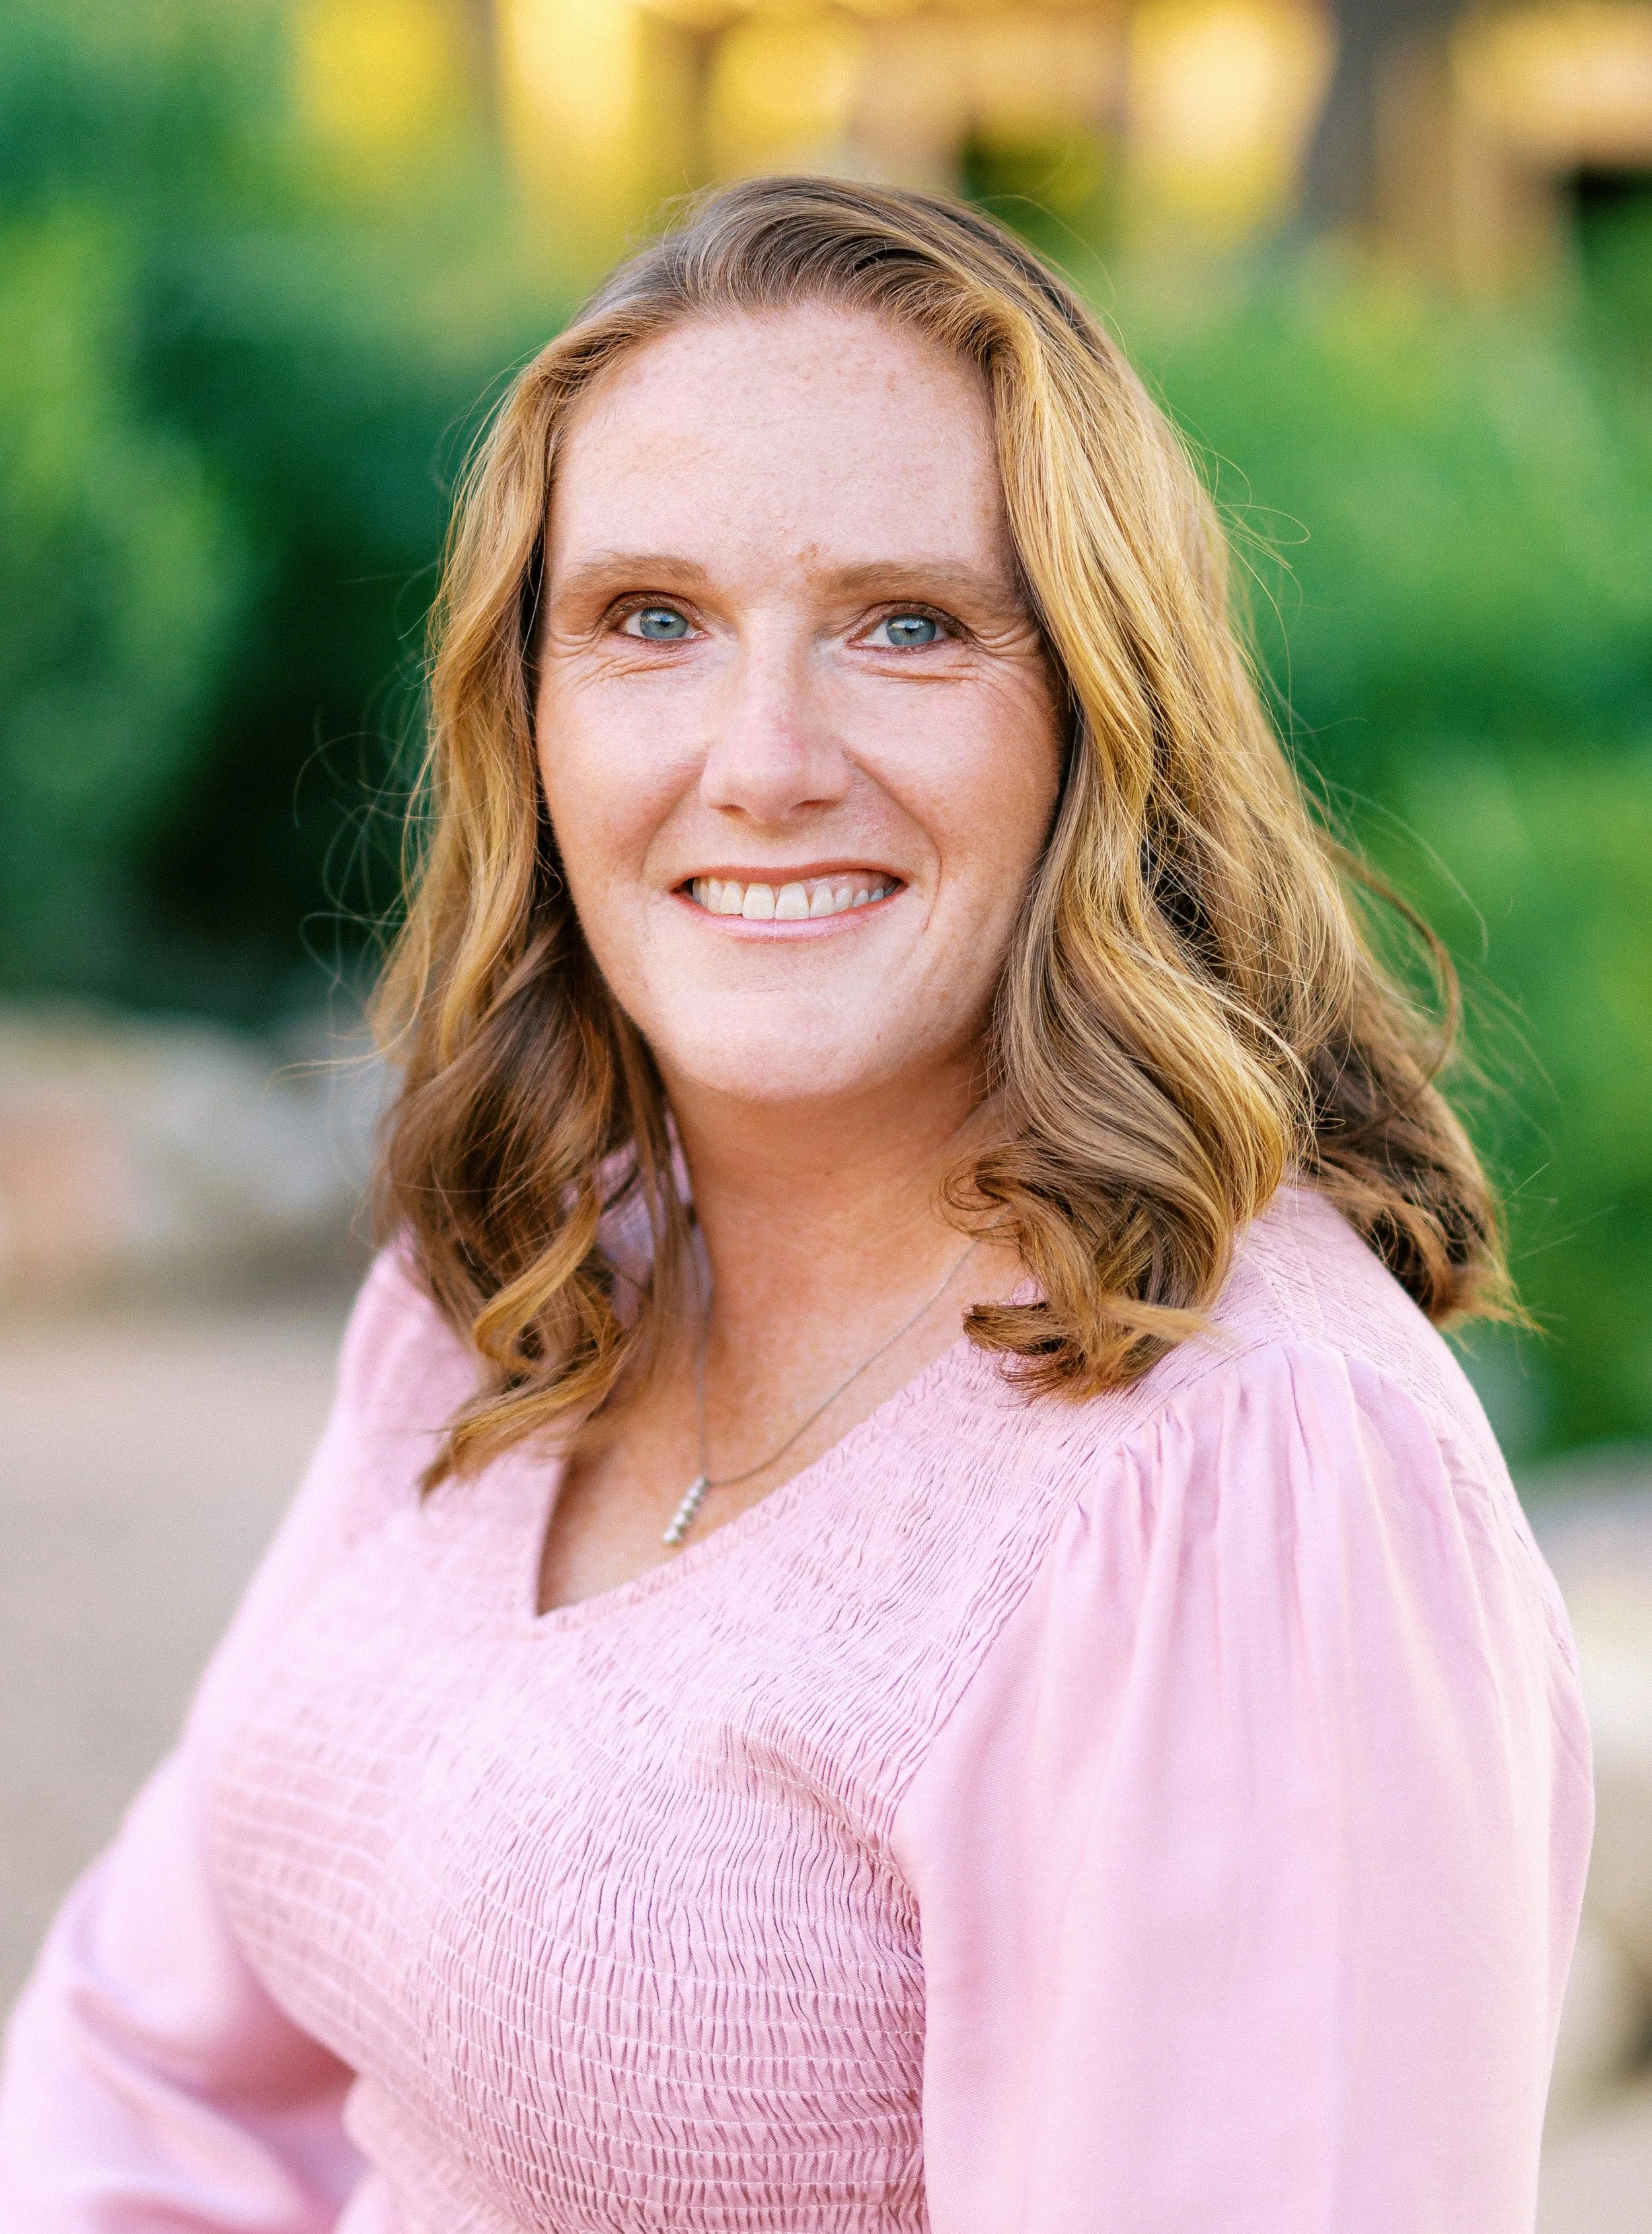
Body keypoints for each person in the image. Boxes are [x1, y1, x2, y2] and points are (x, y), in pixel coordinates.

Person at [0, 177, 1591, 2233]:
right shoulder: (527, 1268)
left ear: (1096, 720)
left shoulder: (1239, 1477)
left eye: (904, 625)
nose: (760, 760)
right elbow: (148, 2053)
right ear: (530, 710)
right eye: (649, 620)